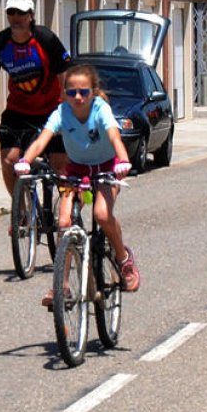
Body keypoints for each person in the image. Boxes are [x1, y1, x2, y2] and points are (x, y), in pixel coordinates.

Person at [14, 64, 139, 306]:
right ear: (64, 94)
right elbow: (42, 141)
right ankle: (61, 287)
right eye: (71, 93)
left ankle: (124, 260)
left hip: (105, 167)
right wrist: (25, 161)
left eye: (83, 92)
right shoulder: (62, 112)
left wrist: (123, 160)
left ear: (93, 91)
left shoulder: (101, 109)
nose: (78, 98)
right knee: (63, 222)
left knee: (102, 214)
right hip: (76, 171)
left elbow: (114, 136)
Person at [0, 0, 72, 195]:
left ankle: (68, 211)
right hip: (18, 112)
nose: (15, 18)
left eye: (20, 13)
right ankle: (21, 212)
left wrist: (65, 110)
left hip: (51, 110)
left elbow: (64, 75)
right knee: (9, 160)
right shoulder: (0, 43)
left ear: (30, 15)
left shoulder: (45, 39)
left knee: (59, 165)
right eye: (11, 12)